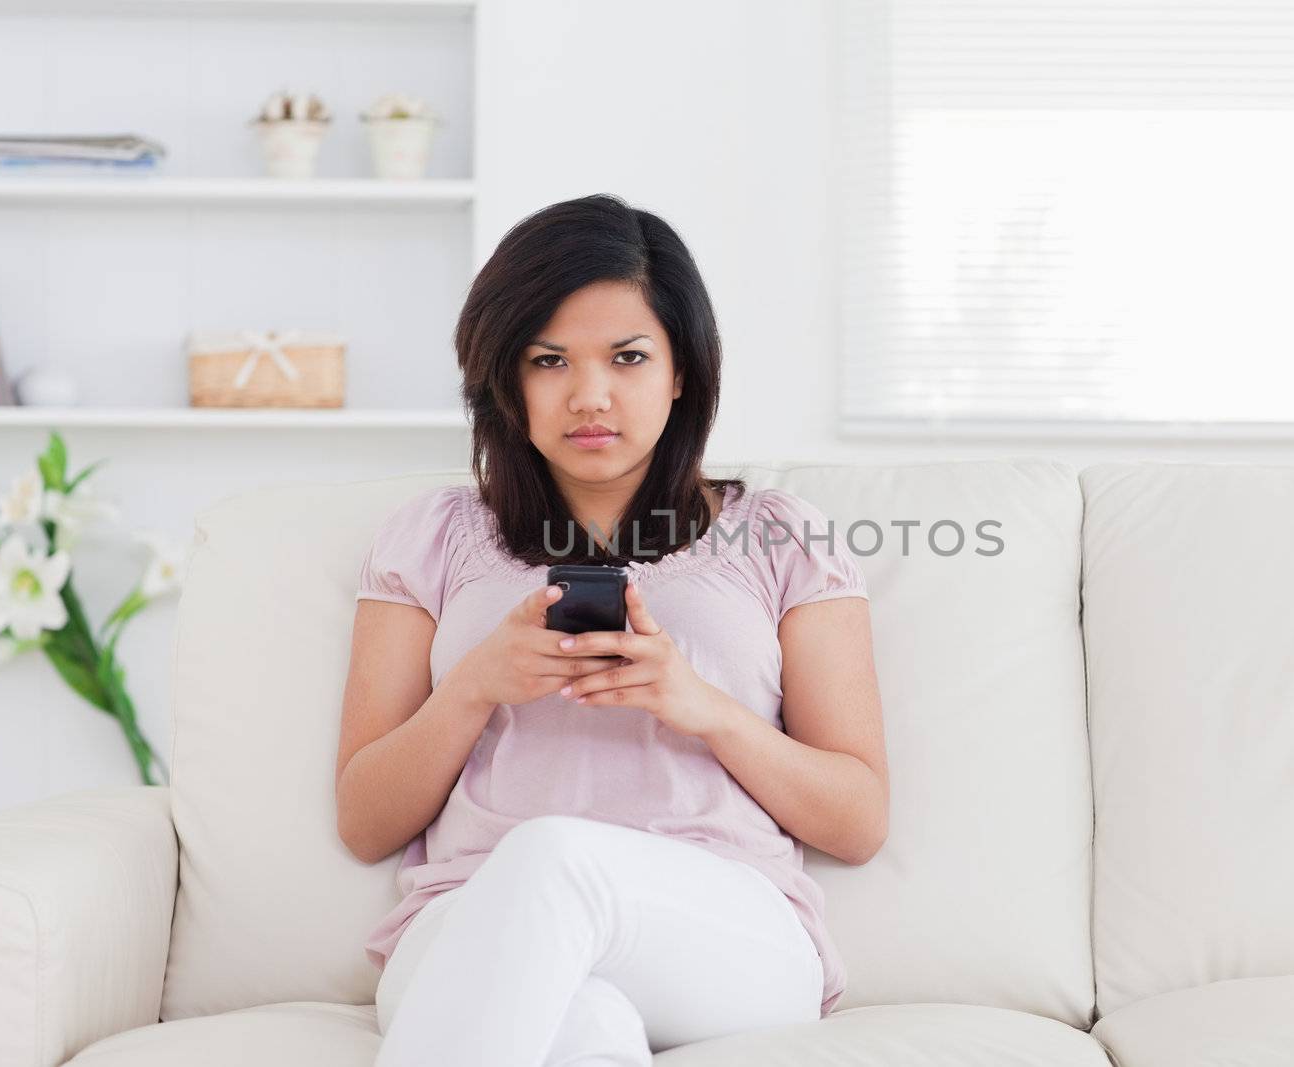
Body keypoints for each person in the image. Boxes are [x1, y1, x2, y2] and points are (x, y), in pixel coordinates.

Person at [335, 193, 889, 1067]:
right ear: (507, 379)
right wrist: (477, 685)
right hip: (469, 920)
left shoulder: (783, 537)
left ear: (681, 372)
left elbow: (857, 818)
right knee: (586, 1028)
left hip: (724, 928)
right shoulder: (431, 536)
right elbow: (365, 819)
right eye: (549, 359)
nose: (589, 395)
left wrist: (699, 704)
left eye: (628, 357)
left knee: (556, 856)